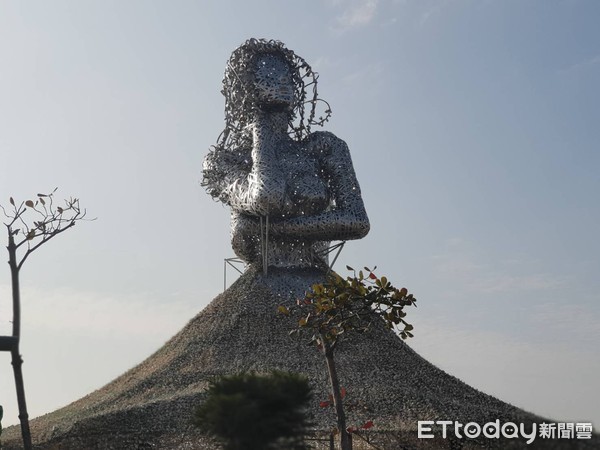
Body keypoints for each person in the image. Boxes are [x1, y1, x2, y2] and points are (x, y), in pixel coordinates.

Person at [202, 39, 369, 270]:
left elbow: (357, 221)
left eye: (285, 76)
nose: (280, 81)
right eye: (267, 76)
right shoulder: (223, 162)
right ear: (245, 89)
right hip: (261, 282)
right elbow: (265, 198)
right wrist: (260, 129)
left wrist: (273, 230)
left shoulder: (324, 148)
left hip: (317, 282)